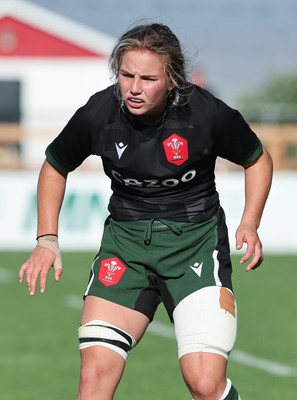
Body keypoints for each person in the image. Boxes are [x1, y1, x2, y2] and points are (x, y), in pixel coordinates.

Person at [19, 23, 273, 400]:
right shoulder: (98, 113)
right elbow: (55, 165)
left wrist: (250, 222)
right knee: (94, 377)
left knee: (204, 384)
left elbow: (258, 159)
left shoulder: (205, 114)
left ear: (172, 80)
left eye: (148, 78)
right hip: (126, 249)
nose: (134, 88)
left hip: (195, 247)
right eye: (126, 75)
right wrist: (47, 239)